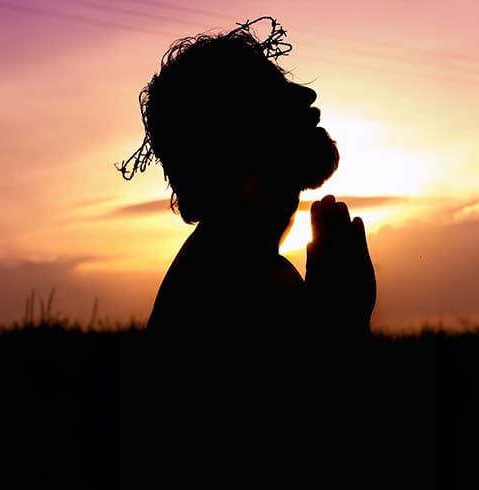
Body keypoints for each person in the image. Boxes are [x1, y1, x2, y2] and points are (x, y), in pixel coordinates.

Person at [119, 17, 376, 340]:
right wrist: (343, 318)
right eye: (272, 94)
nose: (306, 95)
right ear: (233, 138)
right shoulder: (233, 290)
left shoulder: (232, 267)